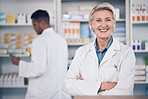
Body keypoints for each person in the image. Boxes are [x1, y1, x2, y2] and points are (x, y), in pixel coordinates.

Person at [65, 2, 135, 96]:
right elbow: (69, 84)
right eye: (98, 20)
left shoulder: (126, 53)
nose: (103, 25)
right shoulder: (81, 52)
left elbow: (125, 91)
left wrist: (86, 87)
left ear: (114, 23)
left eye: (108, 20)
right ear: (91, 24)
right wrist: (102, 86)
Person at [10, 9, 71, 99]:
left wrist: (19, 63)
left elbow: (38, 69)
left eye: (34, 25)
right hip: (59, 92)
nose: (33, 28)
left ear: (42, 23)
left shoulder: (39, 40)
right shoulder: (61, 40)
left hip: (44, 93)